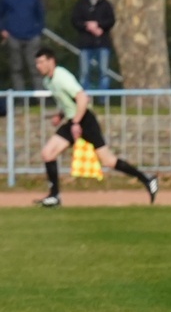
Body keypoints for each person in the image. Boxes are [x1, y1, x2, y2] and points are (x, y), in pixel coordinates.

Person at [32, 47, 158, 207]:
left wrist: (76, 123)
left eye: (41, 62)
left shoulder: (61, 76)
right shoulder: (48, 81)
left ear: (51, 61)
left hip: (85, 120)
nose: (39, 66)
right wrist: (61, 115)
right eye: (37, 63)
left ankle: (147, 179)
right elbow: (68, 102)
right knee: (48, 153)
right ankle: (54, 196)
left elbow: (82, 98)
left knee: (108, 161)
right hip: (73, 120)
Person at [1, 0, 46, 91]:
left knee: (35, 67)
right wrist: (3, 30)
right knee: (16, 69)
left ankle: (40, 97)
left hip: (32, 37)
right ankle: (20, 98)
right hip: (13, 36)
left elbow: (40, 14)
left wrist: (39, 31)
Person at [71, 0, 116, 91]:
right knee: (84, 72)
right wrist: (87, 26)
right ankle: (85, 97)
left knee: (104, 72)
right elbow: (75, 20)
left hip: (102, 42)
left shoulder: (105, 4)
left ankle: (103, 97)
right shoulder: (80, 4)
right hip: (85, 43)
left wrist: (99, 25)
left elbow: (111, 20)